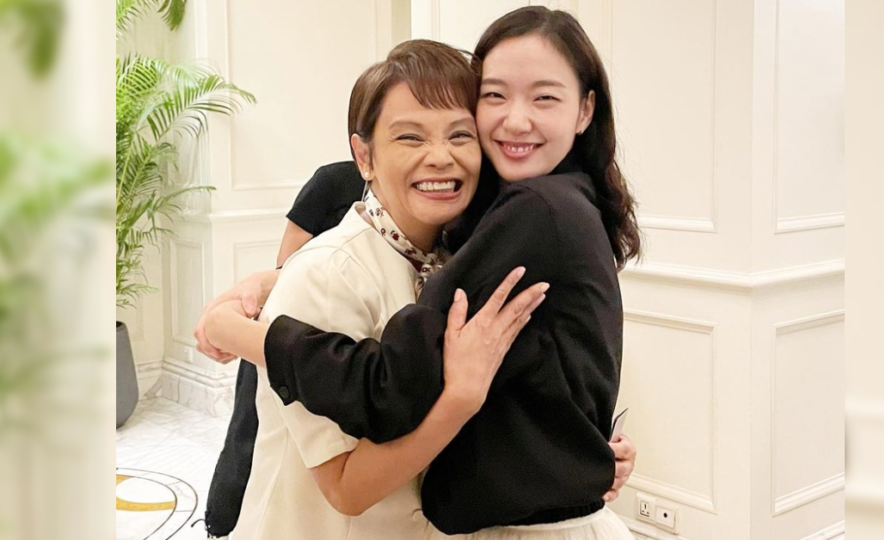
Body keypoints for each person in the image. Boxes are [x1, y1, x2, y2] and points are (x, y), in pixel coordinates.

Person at [203, 7, 641, 539]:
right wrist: (266, 298)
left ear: (584, 109)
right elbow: (348, 490)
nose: (441, 156)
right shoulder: (331, 273)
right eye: (410, 138)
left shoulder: (521, 219)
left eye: (459, 135)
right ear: (363, 155)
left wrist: (578, 454)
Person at [201, 162, 363, 539]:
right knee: (252, 442)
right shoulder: (332, 181)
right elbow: (289, 268)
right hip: (292, 336)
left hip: (334, 359)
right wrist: (254, 291)